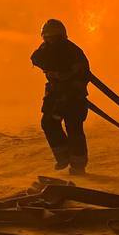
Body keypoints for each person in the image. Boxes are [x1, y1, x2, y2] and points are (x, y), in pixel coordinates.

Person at [29, 19, 91, 173]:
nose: (50, 40)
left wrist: (68, 78)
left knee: (74, 128)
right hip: (55, 96)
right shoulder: (46, 49)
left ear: (61, 36)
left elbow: (83, 74)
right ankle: (63, 157)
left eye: (53, 37)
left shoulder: (73, 52)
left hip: (73, 97)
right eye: (48, 37)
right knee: (48, 123)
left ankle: (78, 165)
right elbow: (36, 58)